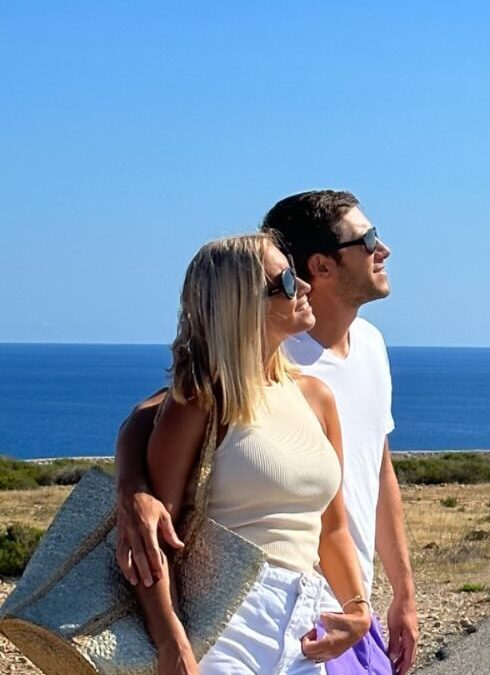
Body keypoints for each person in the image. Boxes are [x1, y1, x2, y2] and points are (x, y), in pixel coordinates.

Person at [114, 191, 418, 674]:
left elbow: (338, 517)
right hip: (227, 620)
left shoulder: (322, 391)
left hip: (311, 615)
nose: (300, 288)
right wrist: (172, 643)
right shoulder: (204, 397)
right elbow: (158, 541)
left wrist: (368, 604)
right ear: (242, 301)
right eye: (285, 278)